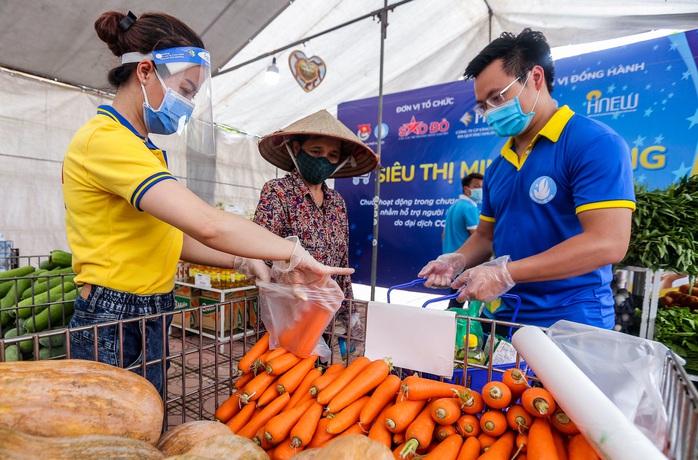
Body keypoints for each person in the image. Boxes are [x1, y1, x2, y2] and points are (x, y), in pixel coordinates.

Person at [61, 11, 353, 398]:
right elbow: (206, 223)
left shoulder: (142, 149)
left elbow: (172, 239)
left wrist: (242, 260)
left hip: (145, 312)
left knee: (144, 428)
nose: (187, 104)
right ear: (145, 72)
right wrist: (291, 252)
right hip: (114, 317)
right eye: (184, 89)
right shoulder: (106, 141)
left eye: (193, 95)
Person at [418, 28, 635, 329]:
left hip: (573, 321)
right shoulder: (498, 168)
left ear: (535, 78)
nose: (491, 112)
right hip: (508, 317)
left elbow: (607, 243)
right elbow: (485, 236)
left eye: (497, 97)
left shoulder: (593, 144)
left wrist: (506, 273)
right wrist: (456, 260)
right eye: (483, 106)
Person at [254, 109, 379, 355]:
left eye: (333, 155)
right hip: (287, 309)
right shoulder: (278, 191)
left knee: (316, 377)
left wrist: (349, 315)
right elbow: (257, 247)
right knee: (280, 371)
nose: (324, 159)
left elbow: (341, 265)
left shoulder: (337, 202)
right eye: (316, 152)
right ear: (297, 150)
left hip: (325, 311)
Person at [442, 173, 483, 309]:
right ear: (466, 189)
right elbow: (479, 237)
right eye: (476, 187)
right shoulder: (470, 207)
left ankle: (449, 323)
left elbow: (443, 235)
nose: (480, 190)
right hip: (466, 262)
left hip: (453, 260)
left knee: (456, 297)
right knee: (468, 299)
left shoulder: (454, 206)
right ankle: (460, 327)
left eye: (482, 187)